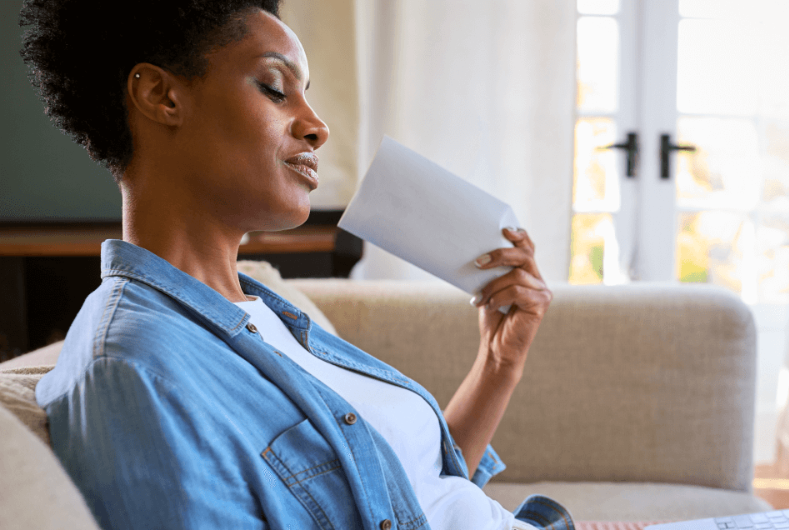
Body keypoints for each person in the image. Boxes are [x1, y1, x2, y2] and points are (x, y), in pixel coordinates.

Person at [19, 1, 573, 529]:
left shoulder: (266, 312)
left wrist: (501, 362)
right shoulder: (136, 368)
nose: (317, 126)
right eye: (275, 89)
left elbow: (419, 493)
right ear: (163, 96)